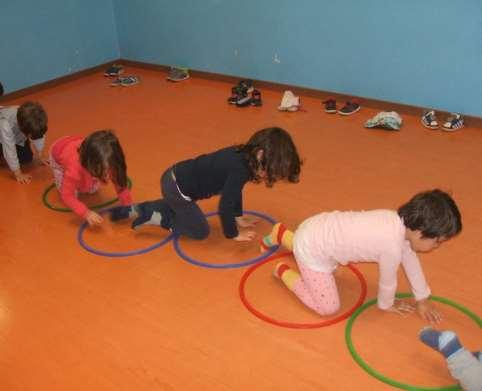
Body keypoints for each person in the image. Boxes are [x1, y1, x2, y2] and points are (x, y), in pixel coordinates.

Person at [261, 189, 462, 322]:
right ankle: (283, 272)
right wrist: (387, 304)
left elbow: (411, 262)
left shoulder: (396, 221)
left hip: (316, 227)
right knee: (328, 307)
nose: (436, 246)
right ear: (420, 232)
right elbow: (387, 282)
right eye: (437, 241)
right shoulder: (391, 245)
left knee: (311, 247)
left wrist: (422, 298)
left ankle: (281, 234)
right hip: (313, 250)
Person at [109, 127, 301, 241]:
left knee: (175, 204)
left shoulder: (243, 156)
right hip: (179, 191)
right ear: (260, 155)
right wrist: (232, 234)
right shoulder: (241, 169)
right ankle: (159, 218)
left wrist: (238, 216)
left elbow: (235, 191)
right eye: (270, 170)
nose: (268, 175)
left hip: (173, 178)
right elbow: (225, 204)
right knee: (200, 232)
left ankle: (134, 209)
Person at [49, 129, 132, 226]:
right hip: (58, 153)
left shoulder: (111, 159)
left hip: (77, 144)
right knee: (74, 191)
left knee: (91, 189)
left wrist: (127, 205)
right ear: (90, 164)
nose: (108, 174)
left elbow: (120, 184)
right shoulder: (74, 170)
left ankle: (89, 178)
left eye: (108, 170)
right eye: (104, 170)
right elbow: (67, 195)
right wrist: (86, 213)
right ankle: (66, 177)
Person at [0, 101, 48, 183]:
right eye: (30, 135)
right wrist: (18, 173)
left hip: (16, 135)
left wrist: (40, 154)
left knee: (26, 158)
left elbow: (39, 134)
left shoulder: (32, 117)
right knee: (7, 151)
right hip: (2, 135)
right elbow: (9, 148)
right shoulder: (5, 125)